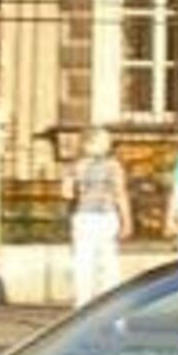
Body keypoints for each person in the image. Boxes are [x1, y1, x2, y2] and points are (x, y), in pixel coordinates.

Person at [65, 128, 131, 306]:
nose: (108, 144)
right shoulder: (113, 165)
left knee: (82, 262)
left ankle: (81, 305)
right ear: (94, 143)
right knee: (108, 263)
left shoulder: (75, 165)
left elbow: (67, 193)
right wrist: (127, 220)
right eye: (105, 141)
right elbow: (120, 193)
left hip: (83, 215)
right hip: (106, 214)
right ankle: (111, 306)